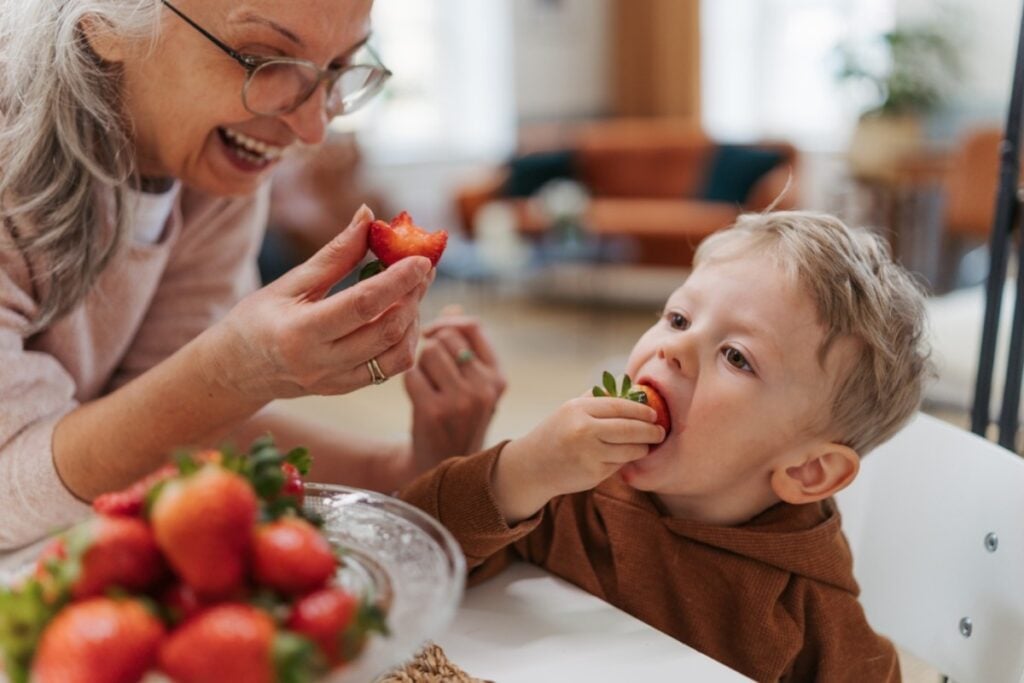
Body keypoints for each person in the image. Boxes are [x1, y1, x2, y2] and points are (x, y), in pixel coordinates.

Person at [0, 0, 505, 551]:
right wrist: (232, 373)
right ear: (102, 23)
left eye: (339, 68)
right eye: (261, 58)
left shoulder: (217, 169)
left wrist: (410, 468)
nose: (311, 130)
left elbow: (165, 425)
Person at [400, 210, 931, 681]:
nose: (674, 348)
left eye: (736, 357)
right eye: (678, 318)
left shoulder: (811, 612)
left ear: (808, 471)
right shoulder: (571, 485)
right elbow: (407, 562)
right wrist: (523, 471)